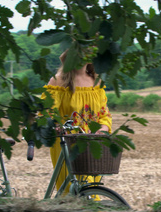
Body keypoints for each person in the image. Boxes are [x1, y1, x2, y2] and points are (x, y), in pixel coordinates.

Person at [42, 50, 112, 193]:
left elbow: (104, 113)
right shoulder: (59, 80)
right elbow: (46, 110)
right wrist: (55, 125)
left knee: (90, 189)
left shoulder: (96, 82)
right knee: (73, 191)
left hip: (92, 142)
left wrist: (104, 128)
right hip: (68, 142)